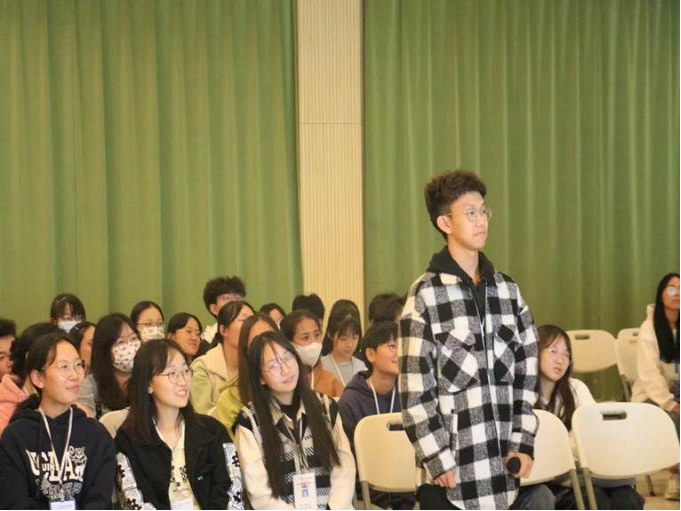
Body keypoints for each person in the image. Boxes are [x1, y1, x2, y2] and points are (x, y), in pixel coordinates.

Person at [399, 170, 540, 510]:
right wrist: (437, 458)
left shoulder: (507, 291)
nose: (481, 221)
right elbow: (415, 391)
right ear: (445, 223)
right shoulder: (425, 295)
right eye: (470, 213)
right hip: (449, 478)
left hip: (503, 473)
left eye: (483, 211)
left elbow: (527, 374)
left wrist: (523, 442)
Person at [114, 339, 244, 509]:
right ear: (148, 384)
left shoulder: (212, 431)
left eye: (185, 371)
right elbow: (136, 501)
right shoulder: (128, 441)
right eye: (172, 373)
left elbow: (231, 490)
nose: (183, 381)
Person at [234, 331, 356, 509]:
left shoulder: (325, 407)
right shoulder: (249, 421)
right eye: (274, 365)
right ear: (260, 378)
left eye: (288, 358)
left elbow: (344, 467)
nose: (285, 370)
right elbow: (259, 493)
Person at [0, 332, 116, 509]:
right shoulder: (16, 436)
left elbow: (100, 499)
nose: (75, 375)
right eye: (64, 367)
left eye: (78, 365)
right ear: (38, 378)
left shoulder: (96, 434)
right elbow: (15, 501)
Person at [535, 324, 643, 510]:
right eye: (553, 351)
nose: (560, 360)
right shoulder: (522, 394)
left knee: (626, 497)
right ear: (534, 352)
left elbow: (593, 435)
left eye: (566, 354)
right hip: (554, 481)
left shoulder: (576, 388)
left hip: (586, 473)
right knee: (596, 500)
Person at [338, 321, 415, 510]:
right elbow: (350, 465)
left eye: (403, 345)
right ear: (370, 354)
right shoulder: (351, 401)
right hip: (368, 499)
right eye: (392, 346)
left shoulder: (412, 394)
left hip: (411, 497)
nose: (400, 352)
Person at [631, 272, 680, 500]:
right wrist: (671, 403)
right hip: (652, 397)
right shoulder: (649, 328)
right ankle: (675, 476)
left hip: (676, 395)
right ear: (661, 294)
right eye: (671, 289)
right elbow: (649, 375)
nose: (677, 293)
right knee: (674, 418)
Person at [215, 313, 278, 437]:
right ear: (246, 352)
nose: (267, 347)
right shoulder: (230, 398)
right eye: (256, 342)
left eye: (271, 338)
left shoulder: (292, 381)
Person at [190, 301, 254, 414]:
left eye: (253, 321)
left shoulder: (257, 364)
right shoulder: (202, 367)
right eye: (244, 320)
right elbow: (201, 415)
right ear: (223, 330)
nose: (251, 327)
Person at [0, 323, 61, 435]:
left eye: (76, 364)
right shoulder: (4, 416)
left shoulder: (78, 412)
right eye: (62, 365)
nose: (73, 375)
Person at [78, 314, 140, 419]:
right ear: (105, 350)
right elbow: (85, 424)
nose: (130, 346)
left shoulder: (149, 379)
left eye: (134, 338)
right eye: (120, 342)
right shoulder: (90, 386)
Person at [281, 310, 343, 398]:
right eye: (306, 338)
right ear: (289, 343)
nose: (313, 343)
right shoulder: (280, 381)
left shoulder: (332, 383)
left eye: (317, 335)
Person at [321, 307, 366, 388]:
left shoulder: (362, 368)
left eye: (354, 337)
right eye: (343, 338)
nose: (349, 344)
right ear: (330, 335)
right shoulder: (321, 367)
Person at [202, 275, 247, 345]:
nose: (234, 303)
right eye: (227, 298)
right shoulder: (207, 340)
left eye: (238, 298)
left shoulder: (252, 333)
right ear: (214, 309)